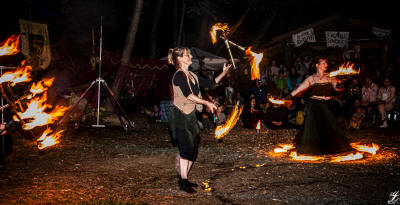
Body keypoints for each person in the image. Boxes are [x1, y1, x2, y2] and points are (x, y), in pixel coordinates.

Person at [167, 47, 231, 193]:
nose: (190, 56)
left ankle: (186, 179)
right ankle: (182, 182)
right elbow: (189, 95)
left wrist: (224, 73)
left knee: (193, 149)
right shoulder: (178, 76)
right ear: (180, 59)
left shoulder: (192, 75)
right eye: (187, 55)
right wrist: (207, 103)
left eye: (189, 54)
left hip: (191, 117)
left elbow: (211, 83)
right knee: (186, 148)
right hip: (180, 116)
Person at [286, 57, 351, 155]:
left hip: (328, 105)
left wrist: (341, 84)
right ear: (317, 65)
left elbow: (337, 88)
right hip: (315, 106)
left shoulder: (330, 76)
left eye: (326, 63)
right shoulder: (311, 78)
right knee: (315, 129)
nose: (326, 65)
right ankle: (314, 148)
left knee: (331, 127)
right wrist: (286, 98)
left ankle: (329, 147)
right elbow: (298, 90)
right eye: (324, 63)